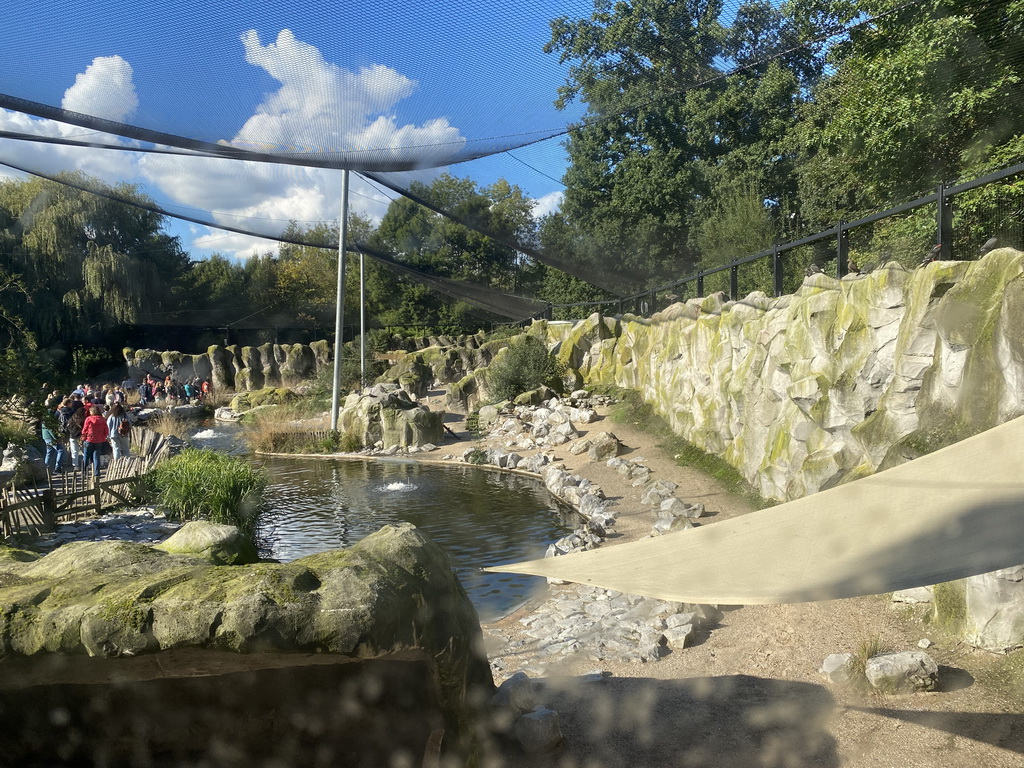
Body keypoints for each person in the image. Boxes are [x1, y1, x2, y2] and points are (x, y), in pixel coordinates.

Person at [81, 405, 110, 477]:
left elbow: (84, 430)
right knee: (96, 457)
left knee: (86, 456)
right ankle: (97, 473)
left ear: (92, 412)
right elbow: (106, 430)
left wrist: (84, 436)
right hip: (99, 440)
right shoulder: (103, 420)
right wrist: (103, 437)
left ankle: (84, 472)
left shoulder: (88, 419)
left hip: (89, 439)